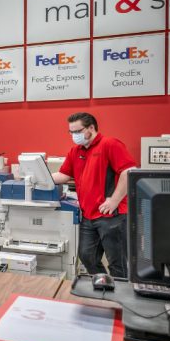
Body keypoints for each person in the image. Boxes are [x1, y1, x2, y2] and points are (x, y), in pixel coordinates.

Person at [52, 112, 136, 278]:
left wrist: (114, 200)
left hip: (112, 215)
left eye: (78, 131)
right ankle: (104, 285)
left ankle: (120, 300)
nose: (74, 136)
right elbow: (64, 175)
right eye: (71, 132)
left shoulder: (110, 144)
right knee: (87, 256)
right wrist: (38, 178)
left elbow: (128, 172)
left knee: (117, 263)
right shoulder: (76, 151)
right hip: (88, 216)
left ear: (91, 127)